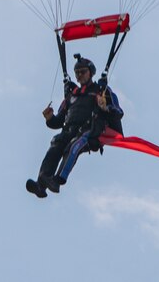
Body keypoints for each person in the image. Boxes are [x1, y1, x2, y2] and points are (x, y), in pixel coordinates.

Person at [26, 54, 124, 198]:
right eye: (77, 73)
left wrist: (105, 108)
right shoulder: (72, 96)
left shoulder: (101, 91)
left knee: (74, 145)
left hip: (89, 131)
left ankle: (58, 180)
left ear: (90, 72)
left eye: (83, 72)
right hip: (68, 130)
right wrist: (49, 118)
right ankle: (41, 185)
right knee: (54, 147)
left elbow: (118, 113)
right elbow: (58, 121)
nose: (79, 76)